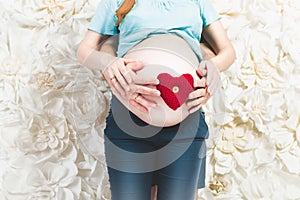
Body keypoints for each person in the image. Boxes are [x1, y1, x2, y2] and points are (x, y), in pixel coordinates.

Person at [77, 0, 235, 199]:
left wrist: (213, 66)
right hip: (128, 123)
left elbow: (227, 51)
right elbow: (85, 50)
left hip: (185, 126)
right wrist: (108, 62)